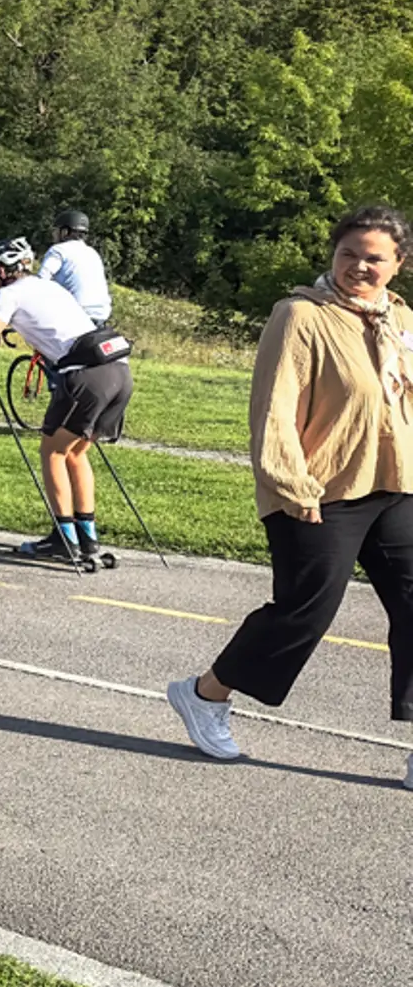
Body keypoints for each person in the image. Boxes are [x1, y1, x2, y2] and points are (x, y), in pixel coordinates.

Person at [167, 205, 413, 790]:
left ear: (397, 266)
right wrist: (291, 483)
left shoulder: (401, 319)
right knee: (306, 609)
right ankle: (205, 694)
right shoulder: (300, 314)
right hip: (321, 488)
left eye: (373, 258)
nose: (358, 266)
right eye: (348, 253)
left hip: (396, 482)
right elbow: (274, 406)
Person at [0, 236, 134, 565]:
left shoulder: (9, 293)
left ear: (5, 270)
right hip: (118, 372)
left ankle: (64, 539)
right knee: (77, 454)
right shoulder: (49, 288)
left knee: (52, 451)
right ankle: (87, 538)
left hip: (86, 376)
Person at [37, 209, 112, 325]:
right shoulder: (92, 253)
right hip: (101, 317)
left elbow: (41, 280)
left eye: (56, 230)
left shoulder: (59, 250)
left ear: (65, 232)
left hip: (75, 316)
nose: (53, 234)